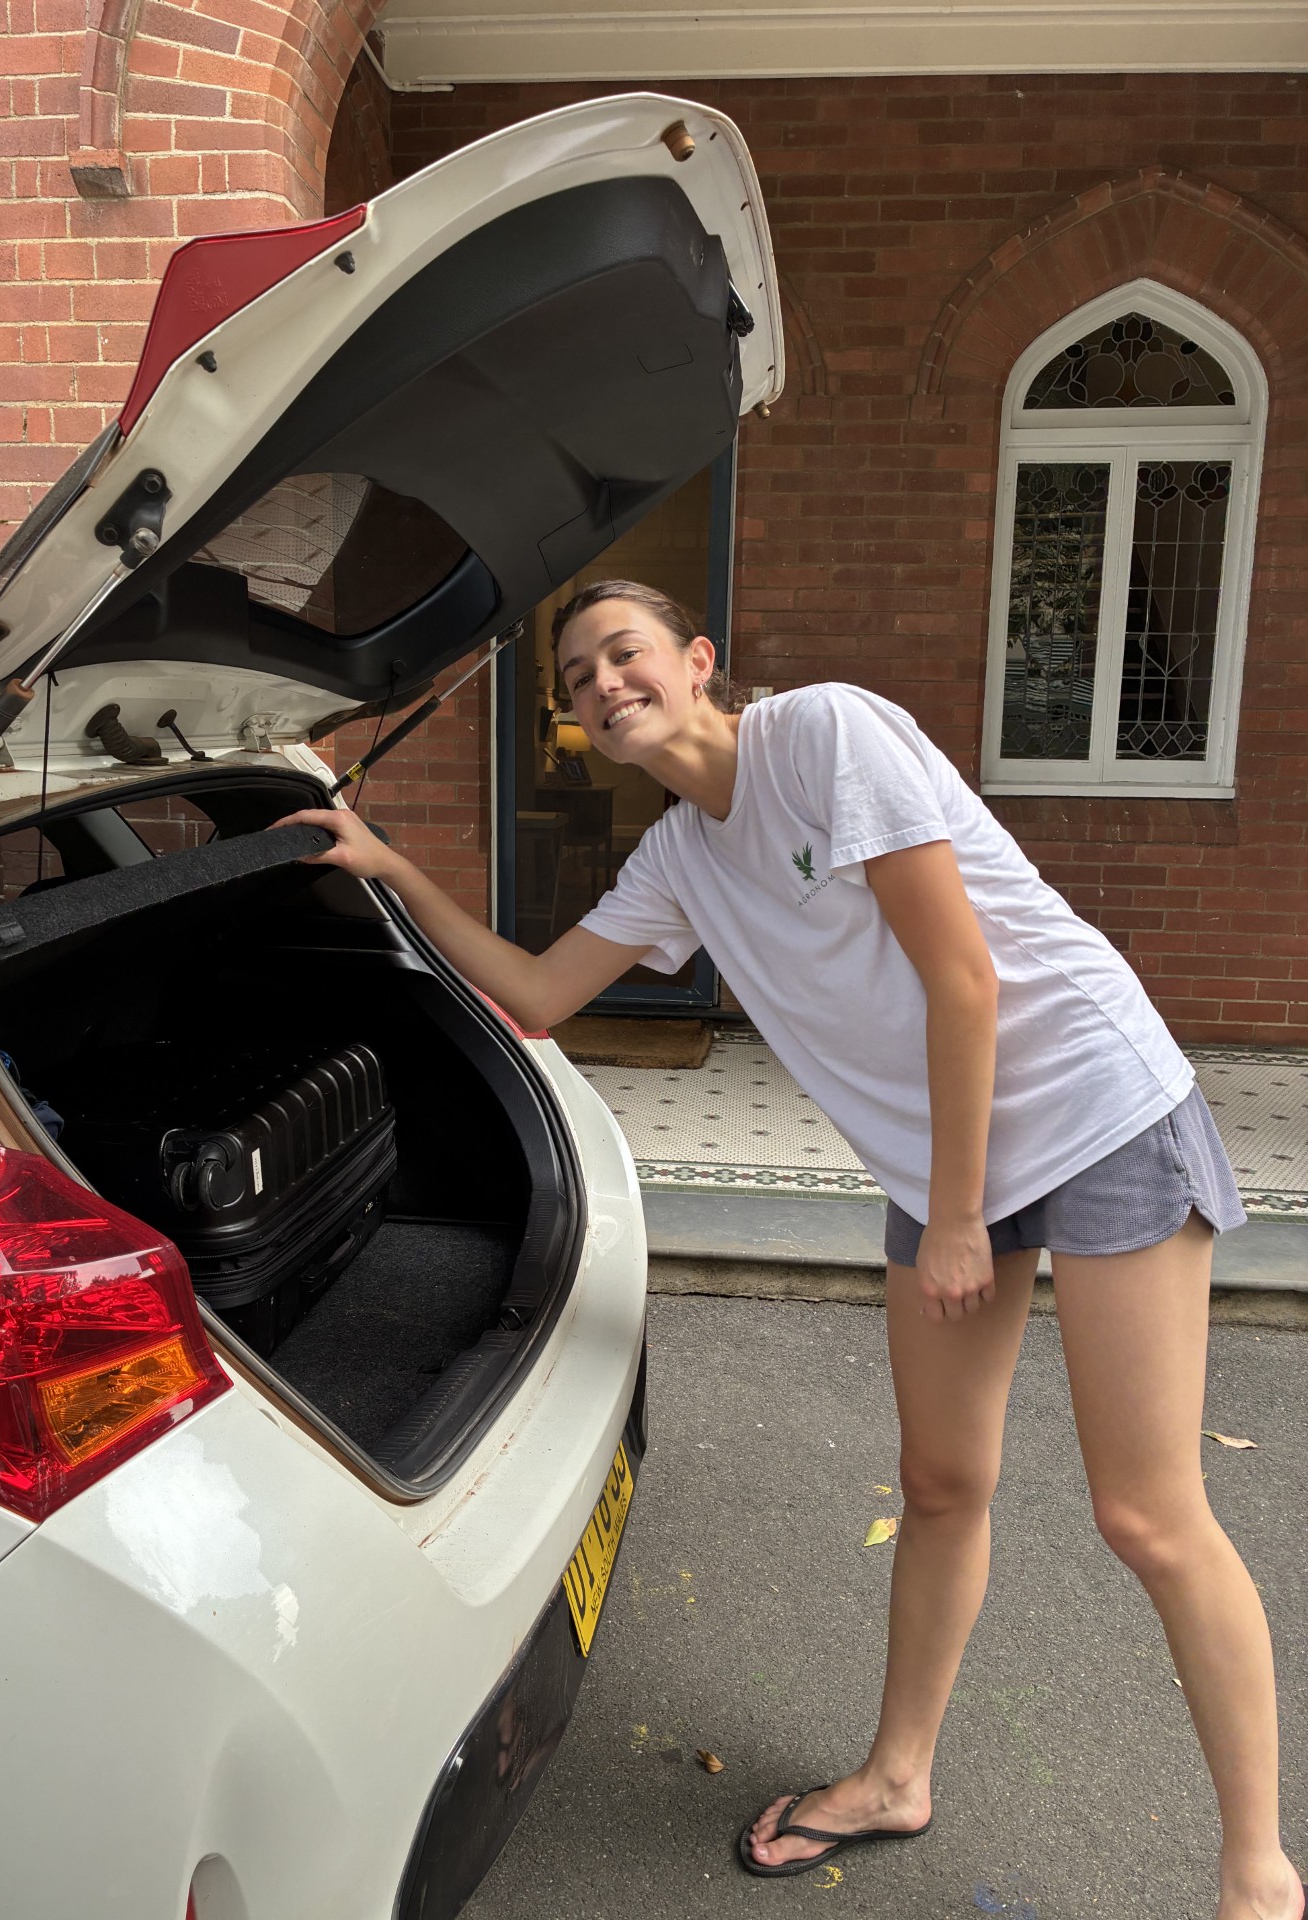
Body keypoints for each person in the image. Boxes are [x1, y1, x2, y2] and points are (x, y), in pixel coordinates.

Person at [279, 580, 1303, 1920]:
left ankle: (1258, 1873)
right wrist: (393, 867)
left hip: (1094, 1110)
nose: (604, 684)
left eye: (625, 653)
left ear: (698, 661)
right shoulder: (678, 861)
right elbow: (536, 994)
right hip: (948, 1161)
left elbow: (964, 977)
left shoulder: (826, 736)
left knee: (1147, 1515)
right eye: (578, 677)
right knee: (940, 1482)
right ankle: (896, 1777)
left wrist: (954, 1218)